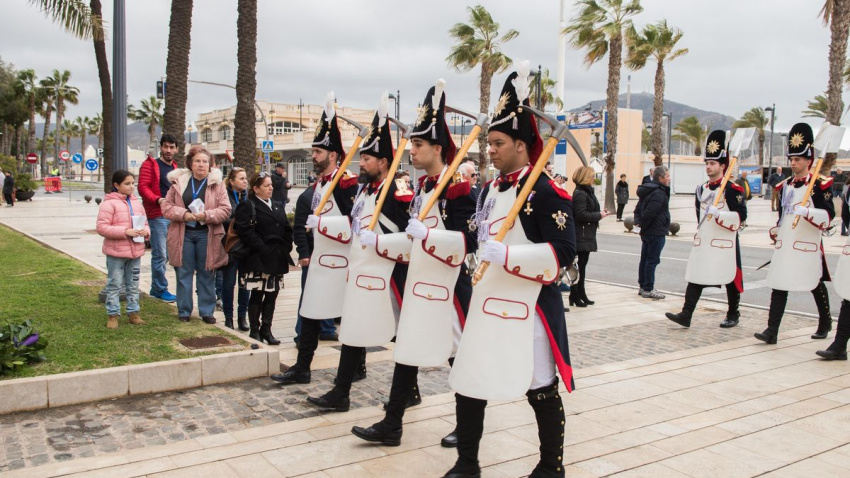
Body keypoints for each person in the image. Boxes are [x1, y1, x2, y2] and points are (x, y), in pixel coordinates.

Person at [443, 66, 577, 478]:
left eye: (499, 143)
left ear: (522, 145)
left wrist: (513, 255)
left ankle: (550, 467)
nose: (492, 151)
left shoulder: (545, 190)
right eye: (490, 143)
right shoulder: (490, 189)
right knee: (469, 382)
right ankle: (467, 464)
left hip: (528, 308)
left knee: (539, 388)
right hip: (486, 302)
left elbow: (564, 254)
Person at [350, 81, 476, 449]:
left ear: (437, 148)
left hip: (449, 288)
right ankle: (392, 424)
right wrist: (382, 242)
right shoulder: (424, 188)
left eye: (418, 144)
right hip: (421, 285)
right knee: (406, 350)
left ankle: (468, 427)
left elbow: (467, 242)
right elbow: (412, 241)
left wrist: (428, 237)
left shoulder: (456, 188)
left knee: (457, 358)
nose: (411, 149)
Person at [306, 93, 413, 413]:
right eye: (361, 157)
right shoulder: (366, 190)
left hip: (390, 277)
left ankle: (414, 388)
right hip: (363, 273)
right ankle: (341, 393)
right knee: (352, 331)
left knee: (399, 336)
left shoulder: (397, 190)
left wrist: (379, 243)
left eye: (367, 159)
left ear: (383, 162)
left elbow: (409, 240)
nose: (361, 163)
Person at [270, 92, 359, 385]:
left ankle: (356, 367)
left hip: (340, 264)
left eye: (318, 152)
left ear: (333, 155)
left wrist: (323, 224)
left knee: (349, 319)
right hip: (321, 262)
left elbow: (354, 225)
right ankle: (302, 367)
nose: (313, 156)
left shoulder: (346, 184)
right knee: (308, 314)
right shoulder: (321, 183)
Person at [757, 123, 834, 345]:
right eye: (791, 159)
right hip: (787, 243)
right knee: (779, 284)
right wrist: (776, 231)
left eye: (797, 159)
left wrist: (808, 211)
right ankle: (772, 330)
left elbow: (828, 217)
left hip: (807, 243)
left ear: (808, 160)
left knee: (814, 283)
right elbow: (782, 217)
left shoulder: (821, 185)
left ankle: (825, 321)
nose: (793, 163)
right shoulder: (785, 186)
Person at [666, 131, 747, 329]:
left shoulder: (732, 189)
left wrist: (720, 215)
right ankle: (686, 314)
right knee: (696, 276)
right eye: (707, 163)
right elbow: (699, 217)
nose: (708, 167)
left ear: (722, 166)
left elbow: (741, 217)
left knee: (730, 277)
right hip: (705, 239)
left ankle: (733, 313)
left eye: (712, 164)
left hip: (724, 240)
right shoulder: (701, 189)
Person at [161, 146, 231, 323]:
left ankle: (207, 311)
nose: (201, 165)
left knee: (207, 272)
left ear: (210, 165)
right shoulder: (179, 182)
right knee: (183, 272)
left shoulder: (217, 184)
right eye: (197, 161)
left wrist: (206, 215)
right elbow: (166, 207)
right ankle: (184, 310)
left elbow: (225, 210)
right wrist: (183, 214)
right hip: (183, 233)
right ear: (190, 164)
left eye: (205, 161)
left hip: (206, 234)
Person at [234, 172, 293, 344]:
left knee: (272, 295)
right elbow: (245, 231)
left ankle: (266, 329)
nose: (271, 188)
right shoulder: (248, 205)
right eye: (266, 185)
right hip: (258, 258)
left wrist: (286, 246)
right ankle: (254, 330)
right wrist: (262, 248)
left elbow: (286, 228)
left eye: (271, 185)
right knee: (258, 294)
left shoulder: (277, 205)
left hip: (277, 257)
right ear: (256, 188)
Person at [96, 170, 150, 329]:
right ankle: (113, 314)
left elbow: (145, 223)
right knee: (115, 283)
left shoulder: (137, 203)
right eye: (127, 184)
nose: (131, 187)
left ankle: (133, 312)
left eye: (133, 183)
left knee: (133, 283)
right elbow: (102, 227)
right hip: (116, 253)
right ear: (116, 185)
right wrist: (125, 232)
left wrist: (146, 232)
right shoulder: (109, 204)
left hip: (135, 251)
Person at [292, 175, 338, 343]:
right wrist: (303, 253)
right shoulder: (307, 197)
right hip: (312, 253)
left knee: (329, 292)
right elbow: (299, 228)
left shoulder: (336, 195)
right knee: (309, 294)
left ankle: (327, 328)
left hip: (332, 253)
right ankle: (301, 333)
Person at [138, 135, 180, 303]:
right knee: (160, 254)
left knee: (174, 254)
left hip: (174, 215)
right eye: (165, 147)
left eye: (171, 147)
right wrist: (157, 199)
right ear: (161, 148)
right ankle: (159, 289)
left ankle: (159, 288)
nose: (168, 150)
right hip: (157, 215)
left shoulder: (176, 168)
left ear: (176, 149)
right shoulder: (150, 165)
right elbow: (142, 187)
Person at [571, 165, 610, 308]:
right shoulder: (581, 193)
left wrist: (599, 213)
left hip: (586, 233)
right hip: (581, 234)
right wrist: (599, 215)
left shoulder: (587, 192)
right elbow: (580, 214)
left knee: (582, 266)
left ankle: (580, 293)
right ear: (585, 177)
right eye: (592, 176)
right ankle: (576, 294)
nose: (594, 178)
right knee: (578, 267)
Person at [221, 167, 251, 331]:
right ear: (232, 181)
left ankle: (242, 317)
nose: (245, 181)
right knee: (229, 282)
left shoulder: (248, 197)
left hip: (246, 246)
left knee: (244, 283)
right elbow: (224, 217)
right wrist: (239, 221)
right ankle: (228, 318)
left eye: (246, 178)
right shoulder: (225, 196)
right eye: (241, 178)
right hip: (231, 245)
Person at [634, 166, 670, 300]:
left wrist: (639, 224)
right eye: (667, 176)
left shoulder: (648, 190)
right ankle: (648, 288)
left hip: (648, 231)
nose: (669, 179)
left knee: (645, 259)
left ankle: (643, 286)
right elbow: (650, 212)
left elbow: (637, 210)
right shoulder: (659, 193)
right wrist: (643, 226)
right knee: (652, 260)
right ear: (660, 178)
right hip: (655, 231)